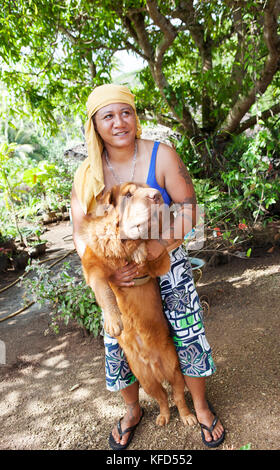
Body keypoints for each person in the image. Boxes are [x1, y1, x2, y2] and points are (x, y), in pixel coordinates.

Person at [71, 84, 225, 449]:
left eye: (126, 112)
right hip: (116, 272)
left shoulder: (162, 155)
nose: (119, 122)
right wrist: (108, 273)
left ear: (135, 116)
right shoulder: (87, 173)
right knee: (118, 339)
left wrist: (154, 250)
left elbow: (188, 209)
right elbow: (80, 232)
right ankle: (132, 409)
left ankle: (200, 407)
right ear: (95, 124)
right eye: (108, 115)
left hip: (165, 258)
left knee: (186, 331)